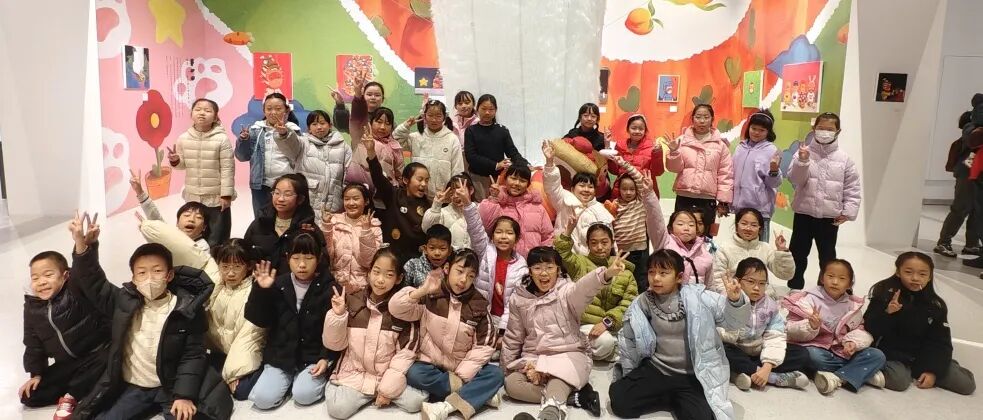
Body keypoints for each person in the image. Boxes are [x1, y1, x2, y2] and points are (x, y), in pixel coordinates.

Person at [68, 213, 233, 420]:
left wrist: (184, 395)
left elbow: (193, 354)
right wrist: (82, 245)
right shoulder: (123, 302)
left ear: (169, 275)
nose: (149, 278)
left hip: (170, 385)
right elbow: (94, 283)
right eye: (142, 273)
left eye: (157, 271)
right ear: (133, 278)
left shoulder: (186, 308)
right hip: (135, 385)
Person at [609, 249, 749, 420]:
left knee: (701, 418)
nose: (656, 278)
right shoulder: (643, 301)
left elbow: (734, 323)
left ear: (679, 277)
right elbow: (629, 339)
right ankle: (671, 397)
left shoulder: (700, 297)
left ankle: (675, 398)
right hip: (657, 369)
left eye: (663, 273)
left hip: (691, 376)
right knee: (620, 401)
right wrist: (629, 371)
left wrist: (735, 302)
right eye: (651, 272)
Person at [503, 248, 623, 420]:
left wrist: (606, 274)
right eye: (537, 268)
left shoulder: (567, 292)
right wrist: (506, 367)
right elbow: (513, 335)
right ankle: (575, 397)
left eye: (549, 267)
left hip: (568, 353)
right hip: (535, 357)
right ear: (529, 271)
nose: (544, 273)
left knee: (559, 379)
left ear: (558, 270)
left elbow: (584, 288)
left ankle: (551, 413)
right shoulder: (519, 298)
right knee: (511, 384)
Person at [391, 249, 505, 420]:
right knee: (413, 372)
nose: (463, 280)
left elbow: (486, 344)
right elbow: (396, 308)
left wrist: (461, 375)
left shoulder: (478, 305)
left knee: (496, 374)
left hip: (461, 365)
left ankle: (445, 407)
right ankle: (478, 394)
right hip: (430, 363)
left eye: (470, 276)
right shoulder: (431, 294)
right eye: (459, 271)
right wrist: (422, 290)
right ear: (447, 268)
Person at [322, 248, 427, 418]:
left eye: (388, 275)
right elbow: (334, 344)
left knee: (415, 402)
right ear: (369, 273)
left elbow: (407, 351)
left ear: (399, 278)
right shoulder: (352, 300)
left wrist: (388, 388)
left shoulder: (403, 309)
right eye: (376, 272)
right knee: (337, 409)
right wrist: (338, 315)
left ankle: (380, 392)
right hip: (355, 373)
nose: (380, 280)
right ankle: (368, 393)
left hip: (387, 374)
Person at [244, 233, 337, 410]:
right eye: (296, 258)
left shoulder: (329, 288)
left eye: (308, 258)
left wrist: (325, 357)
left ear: (318, 258)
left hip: (313, 357)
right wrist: (261, 290)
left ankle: (300, 382)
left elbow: (333, 330)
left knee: (304, 395)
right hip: (281, 356)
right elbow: (259, 320)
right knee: (262, 400)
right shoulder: (278, 283)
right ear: (288, 258)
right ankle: (286, 383)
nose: (302, 264)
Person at [865, 252, 976, 395]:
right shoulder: (884, 293)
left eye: (922, 274)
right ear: (898, 272)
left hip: (922, 356)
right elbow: (869, 327)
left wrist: (933, 371)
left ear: (929, 277)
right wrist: (888, 313)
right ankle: (865, 372)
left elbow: (941, 341)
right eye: (908, 272)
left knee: (966, 384)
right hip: (893, 354)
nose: (915, 278)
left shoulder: (935, 305)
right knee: (899, 381)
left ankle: (938, 366)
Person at [20, 248, 110, 418]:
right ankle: (87, 387)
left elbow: (86, 270)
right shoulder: (32, 307)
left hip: (96, 355)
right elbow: (33, 342)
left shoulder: (76, 290)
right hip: (69, 364)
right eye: (35, 278)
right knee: (29, 396)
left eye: (48, 275)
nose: (41, 282)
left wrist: (83, 246)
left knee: (106, 360)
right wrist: (36, 374)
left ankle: (72, 395)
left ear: (65, 275)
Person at [783, 259, 886, 395]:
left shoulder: (852, 305)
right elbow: (789, 329)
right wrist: (810, 326)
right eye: (830, 276)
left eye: (842, 278)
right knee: (811, 355)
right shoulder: (806, 300)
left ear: (849, 284)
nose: (835, 282)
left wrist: (853, 342)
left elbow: (860, 329)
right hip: (815, 348)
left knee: (877, 355)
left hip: (840, 351)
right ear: (822, 278)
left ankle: (837, 377)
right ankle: (858, 373)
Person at [787, 112, 861, 289]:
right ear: (814, 129)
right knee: (797, 253)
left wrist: (848, 212)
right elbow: (795, 179)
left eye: (830, 129)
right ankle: (795, 286)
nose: (825, 132)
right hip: (804, 213)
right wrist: (803, 162)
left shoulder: (845, 160)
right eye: (821, 128)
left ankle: (826, 289)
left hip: (830, 217)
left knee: (827, 256)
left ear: (838, 131)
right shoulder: (803, 153)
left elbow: (852, 188)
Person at [720, 257, 811, 391]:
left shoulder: (770, 306)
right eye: (751, 282)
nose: (757, 288)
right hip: (735, 349)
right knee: (720, 349)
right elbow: (723, 335)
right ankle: (774, 378)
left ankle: (745, 373)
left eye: (762, 283)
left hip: (758, 352)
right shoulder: (724, 299)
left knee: (802, 354)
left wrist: (767, 366)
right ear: (737, 281)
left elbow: (775, 336)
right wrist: (735, 304)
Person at [555, 220, 637, 362]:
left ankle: (583, 350)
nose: (599, 247)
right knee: (606, 343)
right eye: (594, 243)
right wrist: (568, 232)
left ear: (612, 243)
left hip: (612, 327)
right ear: (587, 244)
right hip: (583, 326)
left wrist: (607, 322)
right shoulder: (580, 264)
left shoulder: (626, 273)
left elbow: (628, 303)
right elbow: (560, 254)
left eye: (604, 242)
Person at [167, 98, 235, 247]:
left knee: (217, 236)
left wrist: (226, 195)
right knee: (194, 234)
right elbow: (182, 166)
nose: (202, 113)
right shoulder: (183, 138)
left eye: (207, 110)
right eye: (197, 109)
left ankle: (217, 259)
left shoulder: (222, 139)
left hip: (215, 196)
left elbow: (228, 169)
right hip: (193, 195)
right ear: (191, 114)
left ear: (215, 117)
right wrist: (175, 160)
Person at [203, 239, 266, 401]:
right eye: (225, 267)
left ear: (249, 266)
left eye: (237, 267)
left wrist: (233, 372)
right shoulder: (215, 286)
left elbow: (249, 336)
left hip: (244, 351)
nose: (230, 273)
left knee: (241, 391)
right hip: (219, 352)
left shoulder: (254, 291)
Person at [363, 132, 432, 265]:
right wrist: (371, 152)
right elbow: (378, 177)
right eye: (420, 179)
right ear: (406, 180)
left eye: (427, 180)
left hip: (416, 262)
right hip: (392, 258)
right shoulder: (394, 195)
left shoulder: (428, 206)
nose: (424, 184)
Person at [664, 104, 734, 234]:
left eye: (706, 117)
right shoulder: (682, 141)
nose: (702, 121)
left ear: (712, 119)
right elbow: (674, 168)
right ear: (692, 119)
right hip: (684, 196)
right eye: (698, 117)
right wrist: (673, 152)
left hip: (707, 199)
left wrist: (723, 201)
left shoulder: (720, 145)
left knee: (704, 235)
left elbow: (725, 174)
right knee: (681, 234)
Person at [465, 192, 528, 331]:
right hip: (479, 316)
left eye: (509, 233)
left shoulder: (521, 267)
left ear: (517, 239)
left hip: (505, 322)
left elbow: (514, 302)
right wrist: (468, 205)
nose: (503, 237)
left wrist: (502, 328)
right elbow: (475, 230)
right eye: (499, 232)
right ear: (492, 237)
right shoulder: (485, 252)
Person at [274, 109, 351, 220]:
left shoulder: (343, 146)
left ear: (330, 125)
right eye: (314, 124)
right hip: (307, 203)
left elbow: (348, 174)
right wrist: (284, 133)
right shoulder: (302, 143)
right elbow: (290, 144)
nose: (319, 127)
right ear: (309, 129)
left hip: (333, 204)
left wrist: (345, 195)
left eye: (322, 123)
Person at [235, 92, 301, 219]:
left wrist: (284, 134)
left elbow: (296, 154)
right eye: (269, 109)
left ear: (287, 110)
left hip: (286, 185)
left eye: (278, 108)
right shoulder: (255, 130)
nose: (273, 112)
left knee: (285, 220)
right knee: (262, 221)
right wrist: (243, 140)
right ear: (263, 110)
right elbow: (242, 157)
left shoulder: (294, 130)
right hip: (261, 185)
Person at [639, 169, 713, 283]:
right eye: (680, 224)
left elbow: (710, 286)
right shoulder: (665, 243)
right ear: (671, 228)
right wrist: (649, 194)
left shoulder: (705, 253)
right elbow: (655, 220)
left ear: (697, 230)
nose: (686, 228)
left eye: (691, 224)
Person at [244, 173, 326, 275]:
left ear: (300, 199)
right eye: (277, 193)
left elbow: (323, 264)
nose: (280, 199)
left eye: (287, 194)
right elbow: (244, 256)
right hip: (260, 282)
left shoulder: (308, 229)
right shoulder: (260, 223)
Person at [542, 140, 614, 255]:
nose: (586, 190)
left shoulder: (601, 210)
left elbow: (609, 240)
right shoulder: (564, 200)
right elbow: (552, 186)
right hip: (564, 258)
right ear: (572, 189)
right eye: (582, 185)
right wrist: (549, 163)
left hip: (591, 261)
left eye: (590, 187)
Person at [710, 208, 795, 293]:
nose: (748, 228)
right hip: (734, 296)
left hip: (760, 296)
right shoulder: (725, 248)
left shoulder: (765, 248)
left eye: (754, 225)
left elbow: (786, 275)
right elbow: (718, 280)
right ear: (736, 225)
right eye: (744, 224)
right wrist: (732, 297)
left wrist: (782, 251)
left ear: (760, 229)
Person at [477, 165, 554, 258]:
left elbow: (548, 237)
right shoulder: (496, 205)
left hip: (532, 262)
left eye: (522, 181)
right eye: (513, 178)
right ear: (505, 179)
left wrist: (541, 258)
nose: (517, 183)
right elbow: (485, 227)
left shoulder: (538, 208)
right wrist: (493, 198)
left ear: (528, 184)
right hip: (503, 261)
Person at [395, 99, 464, 199]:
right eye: (430, 115)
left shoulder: (452, 139)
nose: (434, 120)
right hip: (418, 194)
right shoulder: (416, 137)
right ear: (424, 116)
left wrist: (454, 192)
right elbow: (396, 140)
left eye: (438, 116)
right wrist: (406, 126)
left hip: (443, 197)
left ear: (444, 117)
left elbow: (458, 169)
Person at [464, 94, 529, 200]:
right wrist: (495, 165)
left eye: (491, 109)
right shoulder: (471, 131)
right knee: (481, 205)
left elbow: (512, 152)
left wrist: (526, 164)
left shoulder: (502, 130)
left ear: (496, 110)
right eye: (484, 109)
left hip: (499, 178)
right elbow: (471, 156)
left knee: (499, 204)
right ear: (477, 109)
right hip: (478, 178)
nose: (487, 112)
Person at [130, 170, 212, 252]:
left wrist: (152, 234)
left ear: (204, 227)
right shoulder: (173, 235)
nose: (191, 219)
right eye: (187, 215)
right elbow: (155, 217)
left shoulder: (203, 246)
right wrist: (139, 191)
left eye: (198, 217)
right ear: (177, 223)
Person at [731, 110, 782, 240]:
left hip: (760, 211)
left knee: (759, 248)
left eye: (762, 130)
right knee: (739, 246)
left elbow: (774, 183)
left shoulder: (771, 150)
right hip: (740, 209)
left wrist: (774, 171)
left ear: (768, 132)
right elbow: (732, 174)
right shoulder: (740, 148)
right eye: (754, 128)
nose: (756, 132)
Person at [321, 184, 382, 292]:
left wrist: (366, 230)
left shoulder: (374, 226)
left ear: (366, 201)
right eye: (347, 199)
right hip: (333, 283)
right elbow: (326, 257)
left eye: (356, 198)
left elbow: (368, 262)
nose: (351, 203)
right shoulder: (333, 222)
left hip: (362, 287)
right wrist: (326, 227)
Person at [935, 111, 979, 257]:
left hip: (977, 173)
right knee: (961, 208)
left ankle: (972, 244)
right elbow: (972, 140)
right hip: (968, 172)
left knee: (977, 210)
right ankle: (943, 242)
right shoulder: (971, 128)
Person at [346, 106, 404, 205]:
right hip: (361, 195)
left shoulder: (395, 146)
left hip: (385, 197)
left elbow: (399, 175)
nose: (382, 127)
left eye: (387, 123)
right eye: (379, 122)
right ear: (371, 122)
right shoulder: (361, 139)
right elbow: (355, 120)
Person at [608, 156, 651, 290]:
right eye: (624, 189)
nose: (628, 192)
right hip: (622, 251)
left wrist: (623, 164)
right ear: (619, 189)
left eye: (632, 189)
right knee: (623, 280)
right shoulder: (614, 205)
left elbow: (639, 178)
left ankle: (642, 300)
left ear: (637, 190)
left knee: (641, 280)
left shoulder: (639, 201)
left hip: (639, 250)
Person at [607, 114, 665, 196]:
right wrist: (609, 150)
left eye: (641, 129)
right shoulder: (620, 145)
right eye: (633, 128)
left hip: (644, 191)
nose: (637, 131)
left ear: (645, 130)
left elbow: (658, 172)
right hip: (623, 191)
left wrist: (657, 153)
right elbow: (614, 171)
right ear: (628, 129)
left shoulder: (652, 147)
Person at [423, 175, 476, 250]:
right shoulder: (443, 212)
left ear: (471, 190)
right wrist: (436, 205)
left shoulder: (480, 209)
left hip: (474, 256)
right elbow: (427, 229)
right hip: (451, 256)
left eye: (459, 191)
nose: (455, 196)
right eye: (452, 193)